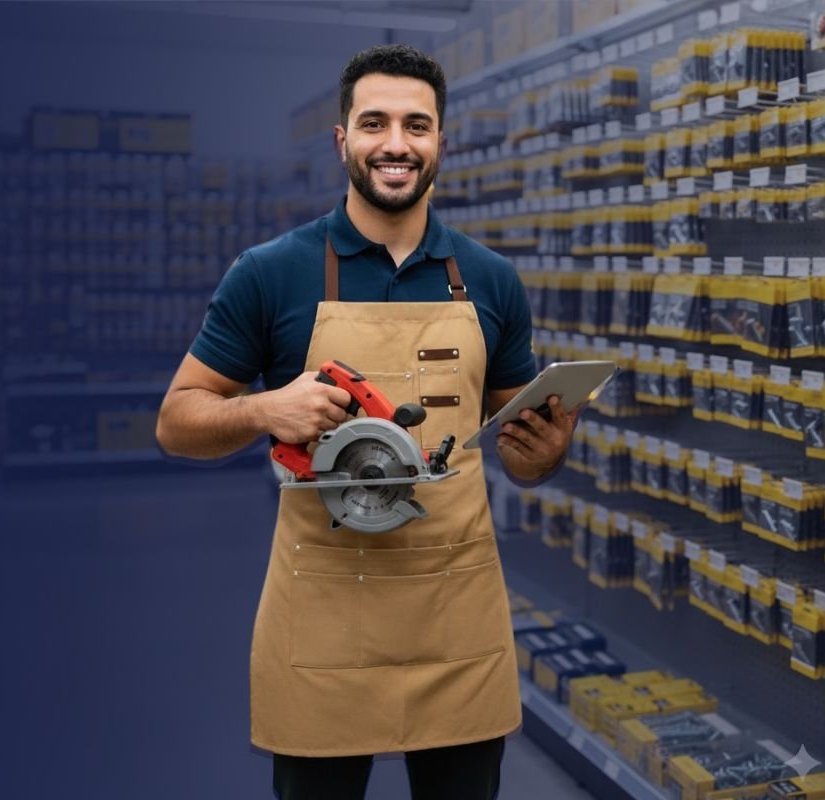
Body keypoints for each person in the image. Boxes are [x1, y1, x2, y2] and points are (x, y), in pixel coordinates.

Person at [156, 44, 577, 800]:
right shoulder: (270, 271)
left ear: (441, 141)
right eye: (374, 122)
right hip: (323, 612)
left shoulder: (490, 280)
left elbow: (521, 455)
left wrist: (545, 451)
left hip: (456, 620)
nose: (395, 143)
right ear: (343, 139)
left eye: (417, 125)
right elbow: (177, 421)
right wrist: (264, 408)